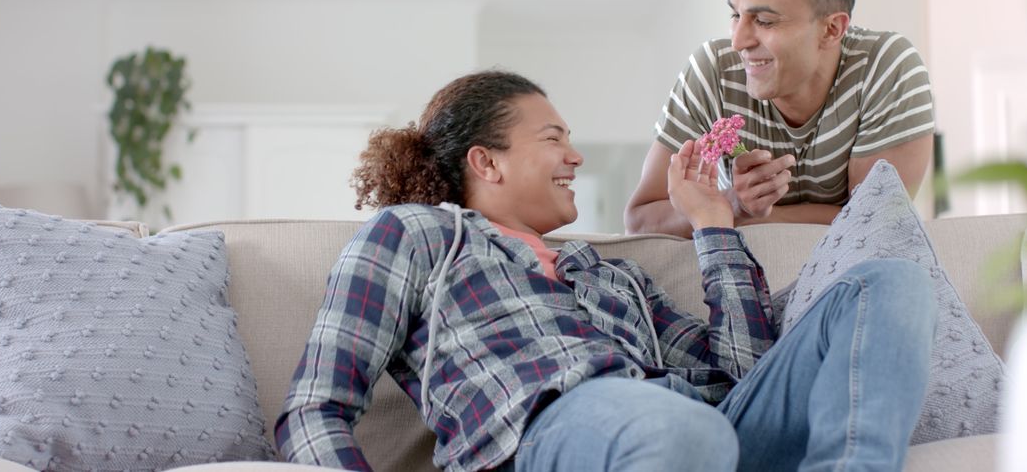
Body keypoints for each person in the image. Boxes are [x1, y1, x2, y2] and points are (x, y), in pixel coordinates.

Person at [275, 70, 937, 472]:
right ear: (487, 162)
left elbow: (748, 376)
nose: (576, 156)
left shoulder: (610, 274)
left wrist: (712, 222)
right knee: (681, 431)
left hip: (704, 430)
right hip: (554, 433)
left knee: (887, 285)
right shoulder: (419, 234)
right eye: (554, 138)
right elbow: (313, 408)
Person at [625, 0, 935, 237]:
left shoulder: (886, 68)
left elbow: (874, 222)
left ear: (832, 29)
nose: (738, 41)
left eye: (764, 20)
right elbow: (641, 219)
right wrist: (734, 203)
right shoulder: (714, 72)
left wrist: (753, 217)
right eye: (736, 15)